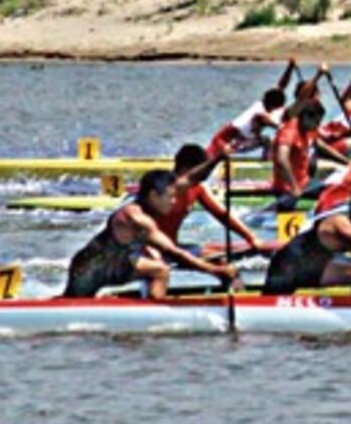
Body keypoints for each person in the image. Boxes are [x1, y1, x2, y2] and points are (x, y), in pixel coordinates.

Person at [62, 170, 237, 299]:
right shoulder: (137, 217)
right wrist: (215, 270)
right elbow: (175, 253)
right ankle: (156, 314)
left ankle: (150, 308)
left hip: (109, 263)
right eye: (170, 197)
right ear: (153, 196)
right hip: (92, 268)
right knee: (160, 270)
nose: (174, 202)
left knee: (159, 268)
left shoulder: (144, 209)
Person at [156, 144, 261, 252]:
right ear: (184, 170)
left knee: (221, 254)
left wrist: (251, 238)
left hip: (173, 247)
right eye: (198, 177)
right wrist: (218, 158)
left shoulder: (197, 188)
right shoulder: (164, 187)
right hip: (153, 250)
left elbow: (223, 215)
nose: (200, 181)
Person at [206, 58, 297, 159]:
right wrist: (283, 127)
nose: (278, 110)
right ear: (273, 105)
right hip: (224, 143)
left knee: (265, 141)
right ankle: (267, 164)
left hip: (240, 140)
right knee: (266, 141)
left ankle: (267, 162)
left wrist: (290, 68)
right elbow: (263, 118)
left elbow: (281, 86)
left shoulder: (266, 102)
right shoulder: (260, 112)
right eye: (278, 107)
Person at [272, 99, 349, 210]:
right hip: (287, 187)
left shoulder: (309, 129)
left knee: (336, 192)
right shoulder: (289, 131)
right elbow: (282, 159)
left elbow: (322, 146)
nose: (317, 126)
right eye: (316, 122)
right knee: (285, 212)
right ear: (305, 117)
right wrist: (294, 187)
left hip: (305, 182)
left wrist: (347, 162)